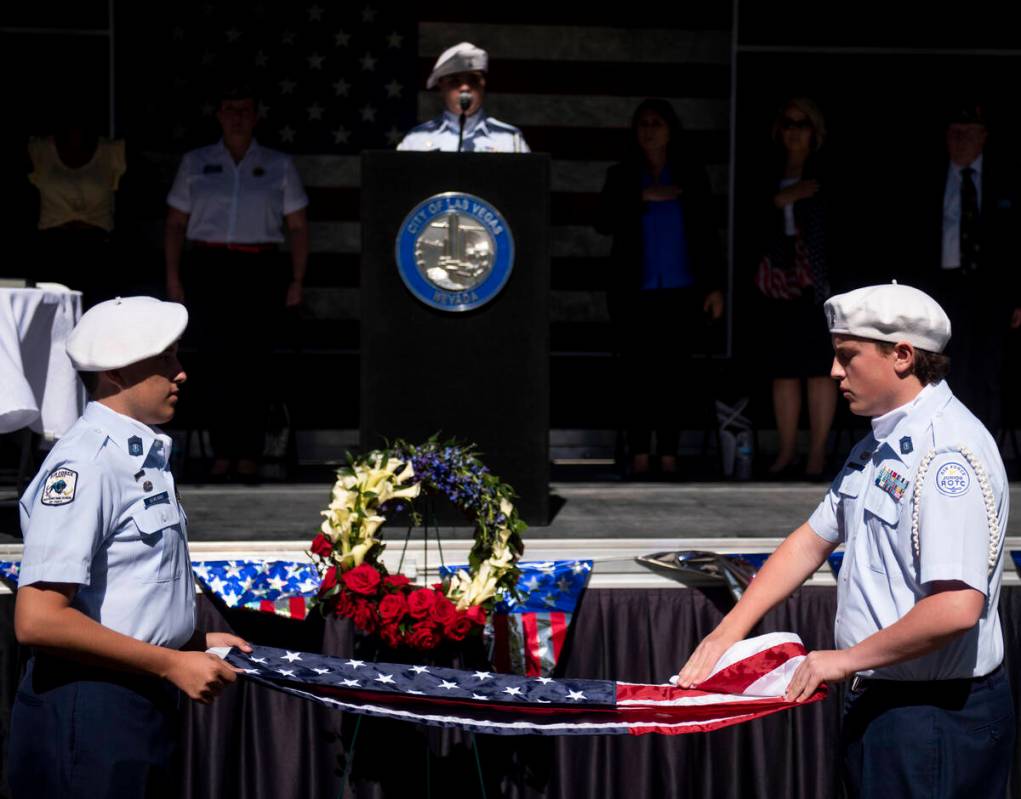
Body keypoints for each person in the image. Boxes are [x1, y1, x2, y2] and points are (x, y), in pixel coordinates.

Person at [676, 283, 1013, 797]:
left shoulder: (946, 454)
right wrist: (729, 631)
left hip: (933, 715)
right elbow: (812, 540)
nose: (834, 372)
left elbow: (956, 607)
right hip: (887, 699)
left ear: (902, 356)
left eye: (847, 357)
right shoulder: (880, 441)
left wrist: (843, 659)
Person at [8, 296, 251, 798]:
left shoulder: (137, 455)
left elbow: (122, 590)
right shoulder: (88, 464)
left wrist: (189, 643)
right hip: (91, 708)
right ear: (117, 372)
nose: (180, 374)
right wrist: (170, 663)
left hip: (137, 697)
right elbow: (38, 618)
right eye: (165, 360)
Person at [165, 81, 309, 482]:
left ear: (256, 115)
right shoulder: (197, 162)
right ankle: (221, 452)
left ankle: (248, 453)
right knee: (212, 363)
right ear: (219, 115)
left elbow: (297, 227)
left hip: (259, 270)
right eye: (230, 108)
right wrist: (173, 277)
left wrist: (297, 279)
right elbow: (176, 224)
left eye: (245, 109)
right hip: (208, 267)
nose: (237, 116)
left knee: (254, 365)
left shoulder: (277, 164)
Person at [595, 98, 724, 479]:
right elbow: (601, 222)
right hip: (635, 292)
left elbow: (708, 234)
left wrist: (715, 286)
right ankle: (638, 453)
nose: (649, 129)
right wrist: (640, 198)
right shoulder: (622, 175)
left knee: (674, 377)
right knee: (638, 376)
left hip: (682, 291)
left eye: (657, 123)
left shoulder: (689, 174)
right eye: (643, 123)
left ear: (670, 130)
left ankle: (668, 453)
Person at [899, 101, 1021, 435]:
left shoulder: (1006, 180)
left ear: (983, 137)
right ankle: (943, 442)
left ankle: (988, 447)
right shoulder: (929, 180)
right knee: (944, 369)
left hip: (991, 290)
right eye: (955, 134)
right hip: (942, 289)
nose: (961, 140)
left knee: (988, 372)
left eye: (969, 134)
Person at [753, 97, 837, 479]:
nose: (794, 130)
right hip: (776, 283)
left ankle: (816, 453)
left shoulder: (825, 171)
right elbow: (749, 218)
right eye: (788, 123)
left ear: (814, 131)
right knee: (783, 369)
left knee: (819, 369)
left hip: (818, 284)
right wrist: (779, 200)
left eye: (802, 124)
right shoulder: (766, 170)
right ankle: (786, 451)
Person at [27, 94, 126, 308]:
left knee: (96, 315)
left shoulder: (111, 152)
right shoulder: (40, 151)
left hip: (98, 249)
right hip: (52, 248)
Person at [397, 42, 529, 153]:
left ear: (483, 84)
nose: (465, 87)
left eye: (473, 80)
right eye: (454, 81)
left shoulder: (510, 139)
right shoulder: (416, 139)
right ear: (441, 87)